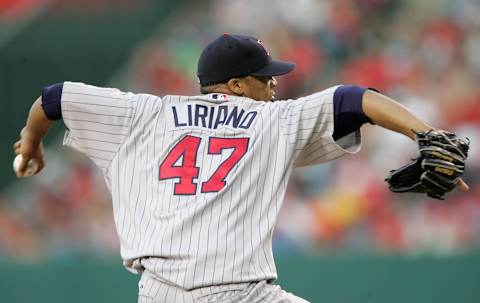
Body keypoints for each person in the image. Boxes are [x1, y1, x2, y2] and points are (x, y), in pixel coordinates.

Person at [13, 33, 469, 303]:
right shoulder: (271, 118)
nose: (274, 83)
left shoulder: (144, 114)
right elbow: (354, 98)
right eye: (265, 76)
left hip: (159, 294)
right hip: (239, 293)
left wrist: (31, 145)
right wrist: (424, 133)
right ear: (235, 85)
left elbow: (54, 97)